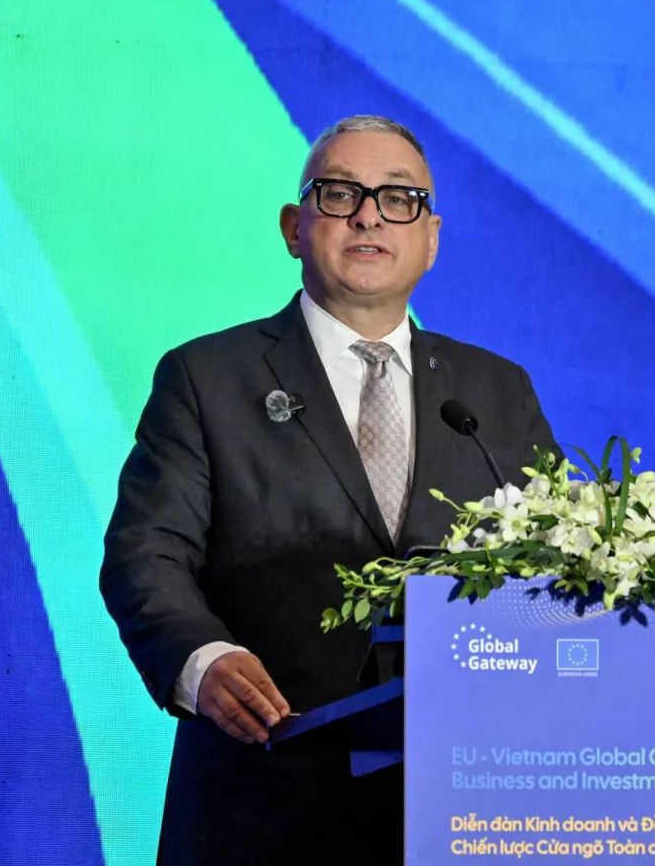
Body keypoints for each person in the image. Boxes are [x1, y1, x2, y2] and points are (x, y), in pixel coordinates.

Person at [99, 116, 557, 865]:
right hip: (267, 800)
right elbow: (145, 555)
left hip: (463, 810)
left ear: (431, 238)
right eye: (341, 193)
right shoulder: (207, 379)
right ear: (294, 226)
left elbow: (555, 568)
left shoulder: (496, 392)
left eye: (399, 197)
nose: (370, 214)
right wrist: (203, 660)